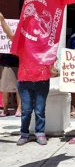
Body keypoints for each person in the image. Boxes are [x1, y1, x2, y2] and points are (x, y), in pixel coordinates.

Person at [0, 12, 51, 146]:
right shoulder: (22, 45)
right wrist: (2, 20)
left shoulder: (47, 47)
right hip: (24, 81)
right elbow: (10, 35)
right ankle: (24, 134)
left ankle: (40, 134)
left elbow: (53, 65)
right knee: (26, 110)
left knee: (40, 110)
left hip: (42, 81)